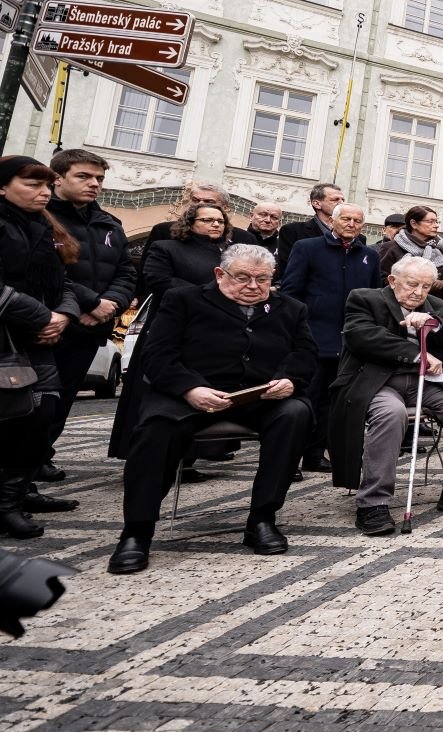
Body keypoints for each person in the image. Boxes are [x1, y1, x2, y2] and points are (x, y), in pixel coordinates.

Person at [107, 244, 318, 574]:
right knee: (156, 429)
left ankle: (262, 518)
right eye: (243, 277)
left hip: (259, 398)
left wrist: (289, 379)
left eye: (262, 280)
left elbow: (305, 354)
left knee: (296, 415)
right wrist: (191, 388)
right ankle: (137, 531)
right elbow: (158, 355)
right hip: (189, 394)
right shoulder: (184, 301)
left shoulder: (290, 308)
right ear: (220, 274)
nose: (253, 286)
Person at [327, 256, 443, 534]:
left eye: (425, 286)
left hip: (425, 382)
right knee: (391, 413)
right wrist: (417, 354)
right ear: (392, 281)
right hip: (378, 381)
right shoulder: (365, 298)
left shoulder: (437, 306)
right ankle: (373, 503)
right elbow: (362, 336)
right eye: (412, 284)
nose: (418, 292)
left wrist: (434, 325)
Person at [0, 156, 82, 539]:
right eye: (32, 184)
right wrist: (40, 316)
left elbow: (63, 281)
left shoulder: (44, 226)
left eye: (47, 185)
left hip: (39, 340)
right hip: (7, 339)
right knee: (10, 418)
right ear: (2, 186)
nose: (43, 191)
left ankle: (14, 496)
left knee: (41, 415)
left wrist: (63, 315)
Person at [44, 150, 136, 471]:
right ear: (58, 178)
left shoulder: (109, 223)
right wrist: (91, 303)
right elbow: (50, 271)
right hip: (49, 323)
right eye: (84, 176)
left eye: (99, 178)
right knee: (36, 399)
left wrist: (110, 305)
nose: (94, 184)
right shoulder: (41, 217)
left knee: (64, 397)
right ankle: (19, 464)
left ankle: (41, 457)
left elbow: (127, 272)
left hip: (90, 328)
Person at [280, 203, 381, 474]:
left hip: (350, 341)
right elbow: (291, 291)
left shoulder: (369, 255)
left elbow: (375, 296)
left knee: (333, 403)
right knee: (307, 400)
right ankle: (292, 460)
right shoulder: (308, 248)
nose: (351, 224)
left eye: (357, 220)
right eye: (346, 219)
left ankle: (315, 454)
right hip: (314, 336)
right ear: (332, 221)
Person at [138, 182, 256, 271]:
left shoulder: (244, 238)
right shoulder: (163, 230)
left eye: (208, 201)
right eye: (195, 200)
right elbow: (146, 269)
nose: (200, 204)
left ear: (225, 207)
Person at [141, 202, 233, 298]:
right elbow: (159, 281)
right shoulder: (165, 248)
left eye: (221, 221)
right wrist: (207, 295)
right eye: (207, 220)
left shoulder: (232, 252)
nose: (216, 224)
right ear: (190, 223)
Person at [379, 205, 443, 299]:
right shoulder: (391, 247)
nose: (436, 225)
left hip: (434, 309)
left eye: (437, 221)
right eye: (430, 221)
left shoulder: (441, 250)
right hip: (399, 306)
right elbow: (381, 280)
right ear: (414, 224)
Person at [275, 181, 345, 252]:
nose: (341, 203)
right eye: (335, 200)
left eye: (343, 200)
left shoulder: (350, 233)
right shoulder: (293, 231)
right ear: (317, 204)